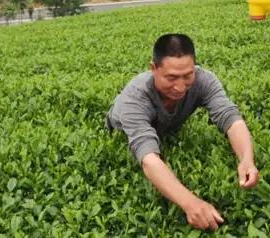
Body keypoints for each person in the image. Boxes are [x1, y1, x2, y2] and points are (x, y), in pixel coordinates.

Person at [106, 33, 259, 231]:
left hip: (165, 129)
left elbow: (230, 117)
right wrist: (191, 203)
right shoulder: (135, 98)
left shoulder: (204, 80)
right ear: (153, 68)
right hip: (122, 131)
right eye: (171, 78)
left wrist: (246, 159)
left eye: (187, 76)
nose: (180, 87)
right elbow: (149, 159)